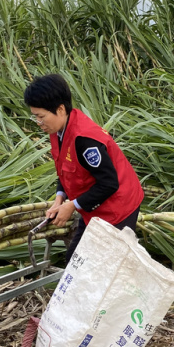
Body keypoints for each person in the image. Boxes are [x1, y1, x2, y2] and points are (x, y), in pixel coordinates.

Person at [24, 73, 144, 263]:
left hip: (117, 207)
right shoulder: (58, 131)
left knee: (105, 267)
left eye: (41, 117)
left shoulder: (85, 140)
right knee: (76, 260)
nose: (39, 123)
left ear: (60, 109)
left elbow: (109, 183)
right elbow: (65, 170)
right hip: (93, 207)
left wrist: (71, 206)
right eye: (35, 118)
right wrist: (59, 201)